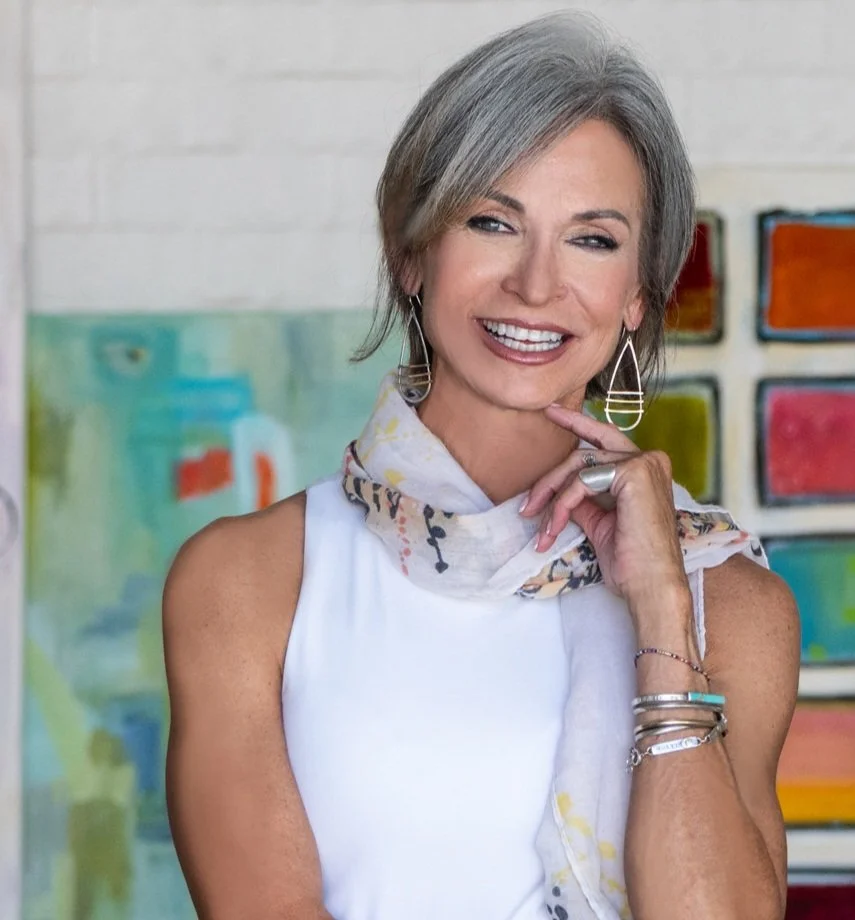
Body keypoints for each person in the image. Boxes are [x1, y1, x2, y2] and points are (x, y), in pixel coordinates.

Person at [162, 12, 799, 920]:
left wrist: (661, 613)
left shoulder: (726, 601)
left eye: (592, 239)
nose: (536, 286)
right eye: (493, 221)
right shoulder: (250, 579)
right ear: (412, 252)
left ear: (635, 300)